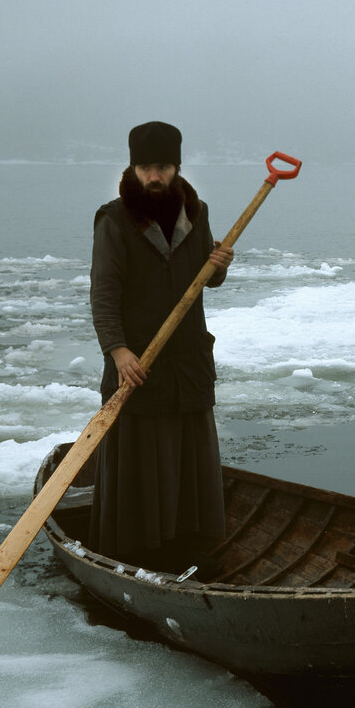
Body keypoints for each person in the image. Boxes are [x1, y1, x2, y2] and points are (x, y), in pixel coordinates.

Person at [88, 121, 233, 574]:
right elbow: (104, 292)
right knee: (141, 459)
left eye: (163, 167)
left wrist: (220, 266)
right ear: (133, 167)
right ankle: (136, 553)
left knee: (190, 458)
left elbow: (206, 276)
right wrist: (117, 350)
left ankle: (190, 545)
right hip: (139, 362)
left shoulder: (197, 211)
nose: (154, 177)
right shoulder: (114, 219)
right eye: (146, 167)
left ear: (177, 167)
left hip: (188, 359)